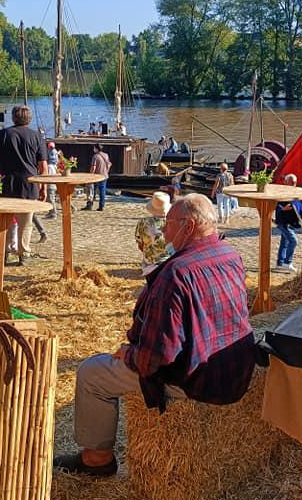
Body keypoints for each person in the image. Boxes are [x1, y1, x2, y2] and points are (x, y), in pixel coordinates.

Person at [53, 194, 256, 476]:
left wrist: (129, 354)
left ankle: (96, 460)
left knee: (91, 373)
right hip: (234, 369)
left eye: (169, 223)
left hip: (197, 380)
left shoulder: (174, 274)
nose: (164, 231)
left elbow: (155, 359)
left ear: (188, 226)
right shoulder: (230, 255)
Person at [0, 105, 48, 265]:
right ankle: (23, 253)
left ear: (14, 118)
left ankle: (4, 252)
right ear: (29, 119)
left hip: (6, 183)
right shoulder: (36, 136)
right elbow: (43, 166)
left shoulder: (3, 134)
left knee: (5, 221)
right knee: (26, 222)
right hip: (30, 183)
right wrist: (44, 187)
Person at [134, 191, 171, 272]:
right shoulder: (175, 223)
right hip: (170, 264)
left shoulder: (143, 222)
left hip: (149, 264)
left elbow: (140, 245)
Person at [275, 174, 302, 273]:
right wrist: (283, 209)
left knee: (284, 243)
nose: (294, 184)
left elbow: (298, 204)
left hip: (290, 222)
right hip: (284, 222)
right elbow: (277, 206)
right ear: (287, 182)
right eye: (292, 182)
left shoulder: (295, 192)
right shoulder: (283, 193)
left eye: (294, 182)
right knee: (294, 241)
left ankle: (280, 263)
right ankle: (288, 262)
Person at [84, 144, 112, 211]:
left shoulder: (95, 156)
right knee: (102, 191)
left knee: (91, 191)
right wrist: (106, 172)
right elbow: (109, 164)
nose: (93, 149)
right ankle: (101, 206)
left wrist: (90, 175)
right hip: (104, 176)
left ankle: (89, 205)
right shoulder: (106, 155)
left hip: (96, 176)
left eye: (94, 148)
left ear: (96, 149)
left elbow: (93, 167)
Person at [45, 141, 59, 219]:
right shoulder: (55, 166)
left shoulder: (50, 166)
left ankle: (53, 213)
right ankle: (51, 212)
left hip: (51, 185)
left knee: (51, 199)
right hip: (53, 184)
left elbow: (49, 177)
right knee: (50, 199)